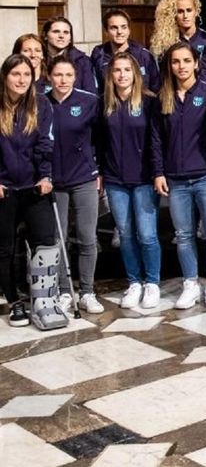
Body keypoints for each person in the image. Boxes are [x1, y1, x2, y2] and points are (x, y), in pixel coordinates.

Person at [152, 42, 206, 310]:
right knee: (184, 235)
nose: (181, 66)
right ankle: (190, 284)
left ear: (197, 63)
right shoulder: (163, 96)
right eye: (175, 61)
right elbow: (156, 139)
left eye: (186, 60)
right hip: (176, 178)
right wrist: (158, 172)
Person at [99, 53, 161, 310]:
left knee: (147, 234)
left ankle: (152, 282)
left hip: (144, 178)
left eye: (127, 69)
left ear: (136, 73)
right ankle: (134, 281)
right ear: (110, 75)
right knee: (125, 234)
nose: (122, 75)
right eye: (117, 70)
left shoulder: (149, 101)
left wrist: (158, 173)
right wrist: (100, 171)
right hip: (115, 179)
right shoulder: (104, 104)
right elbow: (99, 141)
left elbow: (156, 141)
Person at [0, 55, 56, 326]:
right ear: (5, 77)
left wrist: (45, 175)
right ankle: (14, 302)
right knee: (5, 249)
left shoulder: (41, 104)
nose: (21, 80)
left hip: (34, 187)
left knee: (45, 242)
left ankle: (45, 299)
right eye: (15, 74)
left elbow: (45, 143)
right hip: (5, 189)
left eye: (26, 74)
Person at [47, 58, 104, 314]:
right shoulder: (41, 103)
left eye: (68, 75)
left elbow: (101, 138)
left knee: (87, 237)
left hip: (83, 177)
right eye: (58, 75)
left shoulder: (89, 101)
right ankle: (63, 291)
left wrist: (98, 168)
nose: (63, 80)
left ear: (75, 77)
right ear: (49, 77)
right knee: (58, 239)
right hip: (53, 182)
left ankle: (88, 291)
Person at [150, 0, 206, 85]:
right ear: (174, 15)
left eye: (189, 10)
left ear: (196, 12)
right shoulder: (167, 43)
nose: (185, 16)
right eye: (180, 11)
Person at [92, 8, 161, 92]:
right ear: (106, 32)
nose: (119, 32)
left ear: (129, 30)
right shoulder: (99, 55)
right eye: (114, 28)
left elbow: (156, 87)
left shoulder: (144, 55)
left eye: (124, 27)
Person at [43, 16, 98, 94]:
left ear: (70, 38)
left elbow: (90, 94)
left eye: (66, 32)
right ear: (45, 35)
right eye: (56, 31)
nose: (61, 36)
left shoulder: (82, 61)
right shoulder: (38, 60)